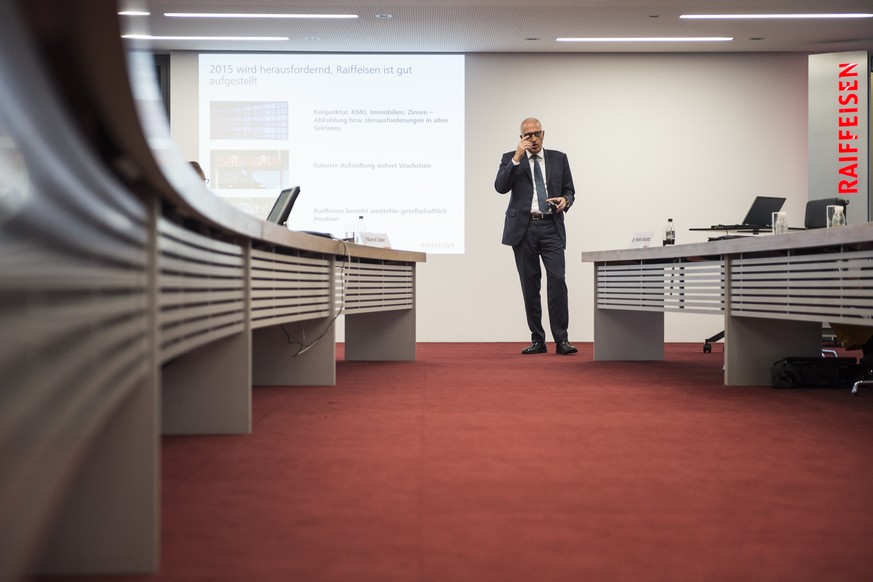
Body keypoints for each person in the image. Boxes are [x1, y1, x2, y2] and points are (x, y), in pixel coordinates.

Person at [494, 117, 578, 355]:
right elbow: (500, 186)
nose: (533, 138)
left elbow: (569, 190)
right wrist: (516, 159)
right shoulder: (510, 158)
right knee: (530, 285)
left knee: (558, 281)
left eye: (536, 134)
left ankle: (561, 339)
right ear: (521, 138)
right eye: (527, 135)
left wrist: (566, 200)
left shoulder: (559, 158)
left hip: (551, 226)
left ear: (544, 134)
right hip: (524, 229)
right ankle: (537, 339)